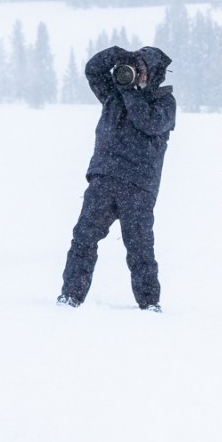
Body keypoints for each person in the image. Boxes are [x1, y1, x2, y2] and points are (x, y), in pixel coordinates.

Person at [58, 45, 175, 311]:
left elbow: (149, 122)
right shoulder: (113, 94)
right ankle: (70, 296)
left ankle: (149, 303)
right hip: (104, 178)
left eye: (141, 69)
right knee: (83, 239)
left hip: (138, 186)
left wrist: (128, 91)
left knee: (140, 249)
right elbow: (93, 69)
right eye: (134, 68)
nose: (135, 73)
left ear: (154, 73)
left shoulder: (163, 102)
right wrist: (118, 55)